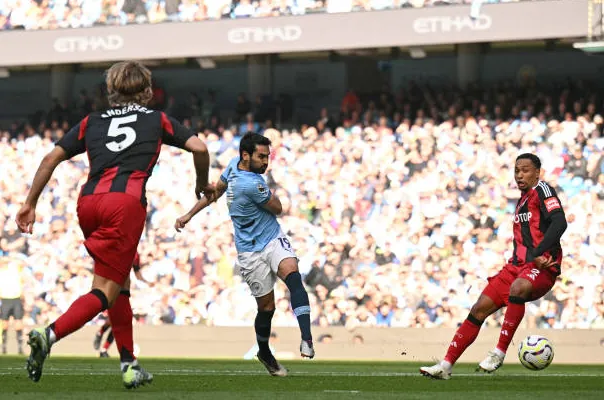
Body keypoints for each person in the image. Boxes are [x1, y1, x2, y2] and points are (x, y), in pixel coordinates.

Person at [15, 60, 213, 388]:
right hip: (125, 205)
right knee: (104, 291)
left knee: (120, 285)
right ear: (148, 91)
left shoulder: (90, 121)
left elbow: (51, 158)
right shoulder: (156, 118)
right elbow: (200, 148)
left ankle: (129, 365)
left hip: (88, 203)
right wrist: (200, 184)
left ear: (110, 93)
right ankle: (48, 335)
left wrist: (30, 203)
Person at [175, 133, 314, 377]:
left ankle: (307, 339)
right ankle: (264, 352)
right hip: (249, 251)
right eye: (261, 157)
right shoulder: (243, 175)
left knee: (293, 275)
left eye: (267, 157)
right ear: (245, 156)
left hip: (272, 239)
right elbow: (216, 193)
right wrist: (189, 214)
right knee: (267, 308)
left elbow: (277, 211)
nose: (265, 162)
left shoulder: (250, 178)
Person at [420, 153, 568, 379]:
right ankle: (445, 365)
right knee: (479, 308)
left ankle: (499, 353)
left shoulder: (543, 190)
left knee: (518, 289)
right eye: (517, 170)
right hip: (515, 266)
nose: (520, 174)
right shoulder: (522, 200)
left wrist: (539, 253)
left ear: (537, 172)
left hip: (541, 267)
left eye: (526, 170)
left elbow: (559, 222)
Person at [94, 253, 150, 358]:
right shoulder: (117, 248)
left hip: (125, 291)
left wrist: (147, 282)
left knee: (118, 323)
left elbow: (137, 273)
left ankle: (103, 349)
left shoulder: (135, 255)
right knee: (114, 321)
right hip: (112, 289)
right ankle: (100, 334)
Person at [0, 255, 26, 355]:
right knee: (4, 324)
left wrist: (10, 259)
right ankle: (4, 348)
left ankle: (20, 348)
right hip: (5, 300)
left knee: (18, 323)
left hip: (16, 299)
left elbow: (22, 263)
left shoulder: (15, 269)